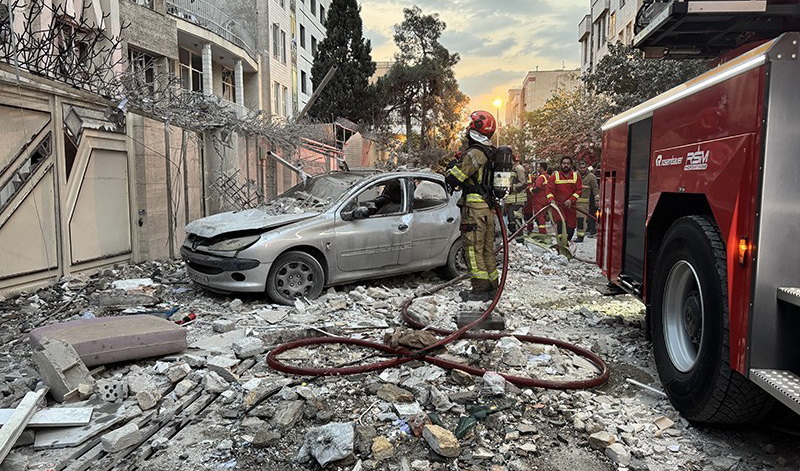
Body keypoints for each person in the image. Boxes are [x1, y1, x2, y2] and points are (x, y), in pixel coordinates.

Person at [444, 110, 499, 302]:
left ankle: (479, 289)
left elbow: (454, 178)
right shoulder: (491, 152)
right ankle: (492, 286)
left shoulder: (475, 153)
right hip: (487, 209)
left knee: (472, 249)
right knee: (486, 249)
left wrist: (451, 166)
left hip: (474, 210)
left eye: (470, 125)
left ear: (476, 130)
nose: (467, 129)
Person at [547, 156, 582, 242]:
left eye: (568, 163)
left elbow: (579, 190)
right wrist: (551, 200)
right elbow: (549, 190)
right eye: (564, 163)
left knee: (571, 225)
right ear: (561, 165)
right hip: (559, 207)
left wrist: (571, 200)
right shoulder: (555, 176)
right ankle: (561, 244)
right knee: (560, 223)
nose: (566, 165)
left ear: (571, 165)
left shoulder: (576, 176)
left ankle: (567, 241)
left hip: (571, 207)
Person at [504, 154, 528, 242]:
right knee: (511, 219)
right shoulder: (512, 169)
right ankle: (515, 237)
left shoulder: (519, 168)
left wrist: (512, 187)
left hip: (518, 199)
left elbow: (523, 183)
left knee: (516, 218)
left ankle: (520, 239)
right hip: (512, 199)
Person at [576, 160, 599, 242]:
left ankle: (580, 236)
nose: (582, 169)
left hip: (584, 202)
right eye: (581, 168)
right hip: (574, 201)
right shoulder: (576, 175)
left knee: (581, 219)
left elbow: (595, 189)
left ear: (586, 167)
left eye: (584, 167)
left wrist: (597, 200)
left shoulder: (591, 177)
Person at [526, 161, 550, 235]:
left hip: (538, 200)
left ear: (542, 168)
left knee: (540, 218)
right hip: (545, 199)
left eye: (539, 167)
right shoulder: (548, 176)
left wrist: (530, 188)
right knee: (542, 216)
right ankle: (542, 232)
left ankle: (542, 233)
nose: (538, 169)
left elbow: (536, 189)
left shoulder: (540, 177)